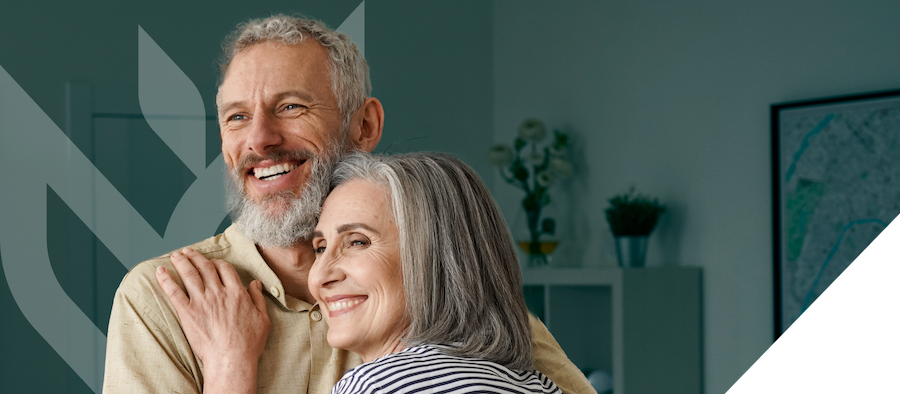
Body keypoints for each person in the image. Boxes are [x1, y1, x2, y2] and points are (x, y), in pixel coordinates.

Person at [102, 14, 595, 394]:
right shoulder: (161, 300)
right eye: (235, 117)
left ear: (364, 127)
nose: (259, 139)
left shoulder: (445, 285)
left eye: (290, 107)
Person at [157, 151, 563, 394]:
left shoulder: (382, 385)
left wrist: (230, 366)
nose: (321, 275)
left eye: (357, 242)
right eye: (320, 247)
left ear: (439, 258)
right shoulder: (537, 385)